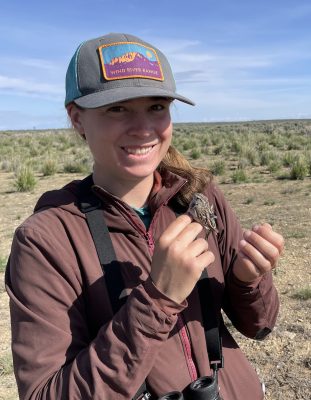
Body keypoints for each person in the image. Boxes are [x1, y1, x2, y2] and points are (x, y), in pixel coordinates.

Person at [5, 32, 284, 400]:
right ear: (76, 119)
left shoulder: (198, 199)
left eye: (156, 107)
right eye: (116, 109)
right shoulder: (47, 239)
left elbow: (260, 326)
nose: (143, 129)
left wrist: (247, 280)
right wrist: (157, 298)